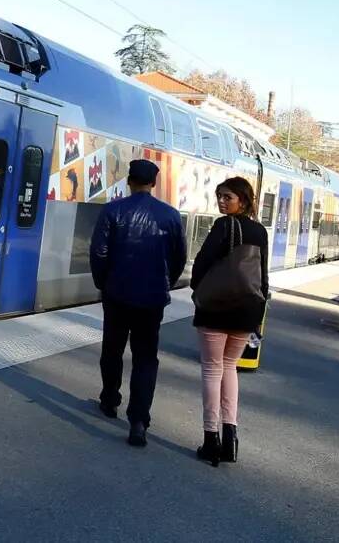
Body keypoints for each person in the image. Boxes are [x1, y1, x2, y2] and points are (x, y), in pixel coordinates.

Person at [89, 158, 187, 447]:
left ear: (129, 181)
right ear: (153, 184)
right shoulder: (170, 215)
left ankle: (109, 400)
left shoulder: (112, 211)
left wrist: (103, 284)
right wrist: (165, 283)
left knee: (112, 349)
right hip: (151, 299)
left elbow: (99, 253)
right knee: (145, 358)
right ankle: (139, 421)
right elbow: (179, 257)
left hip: (117, 295)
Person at [189, 177, 269, 467]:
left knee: (212, 369)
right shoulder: (260, 231)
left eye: (228, 197)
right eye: (220, 196)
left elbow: (202, 261)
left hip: (216, 308)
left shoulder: (224, 226)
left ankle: (211, 439)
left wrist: (198, 289)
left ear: (244, 200)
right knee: (229, 368)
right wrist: (259, 309)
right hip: (248, 308)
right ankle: (231, 438)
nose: (222, 201)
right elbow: (263, 273)